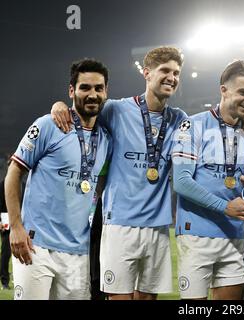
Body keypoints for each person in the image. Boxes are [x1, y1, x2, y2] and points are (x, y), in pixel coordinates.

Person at [51, 46, 188, 300]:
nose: (172, 77)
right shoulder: (116, 110)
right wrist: (60, 104)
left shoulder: (179, 119)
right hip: (119, 224)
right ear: (147, 73)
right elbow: (82, 112)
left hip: (158, 226)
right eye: (165, 70)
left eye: (177, 72)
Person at [4, 59, 111, 299]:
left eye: (98, 88)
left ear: (106, 92)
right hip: (36, 245)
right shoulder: (48, 125)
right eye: (85, 87)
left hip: (79, 252)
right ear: (72, 90)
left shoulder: (107, 138)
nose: (92, 94)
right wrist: (16, 227)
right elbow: (14, 173)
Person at [171, 60, 244, 300]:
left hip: (234, 235)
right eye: (243, 92)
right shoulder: (192, 125)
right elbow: (181, 181)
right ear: (224, 90)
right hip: (196, 235)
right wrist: (225, 207)